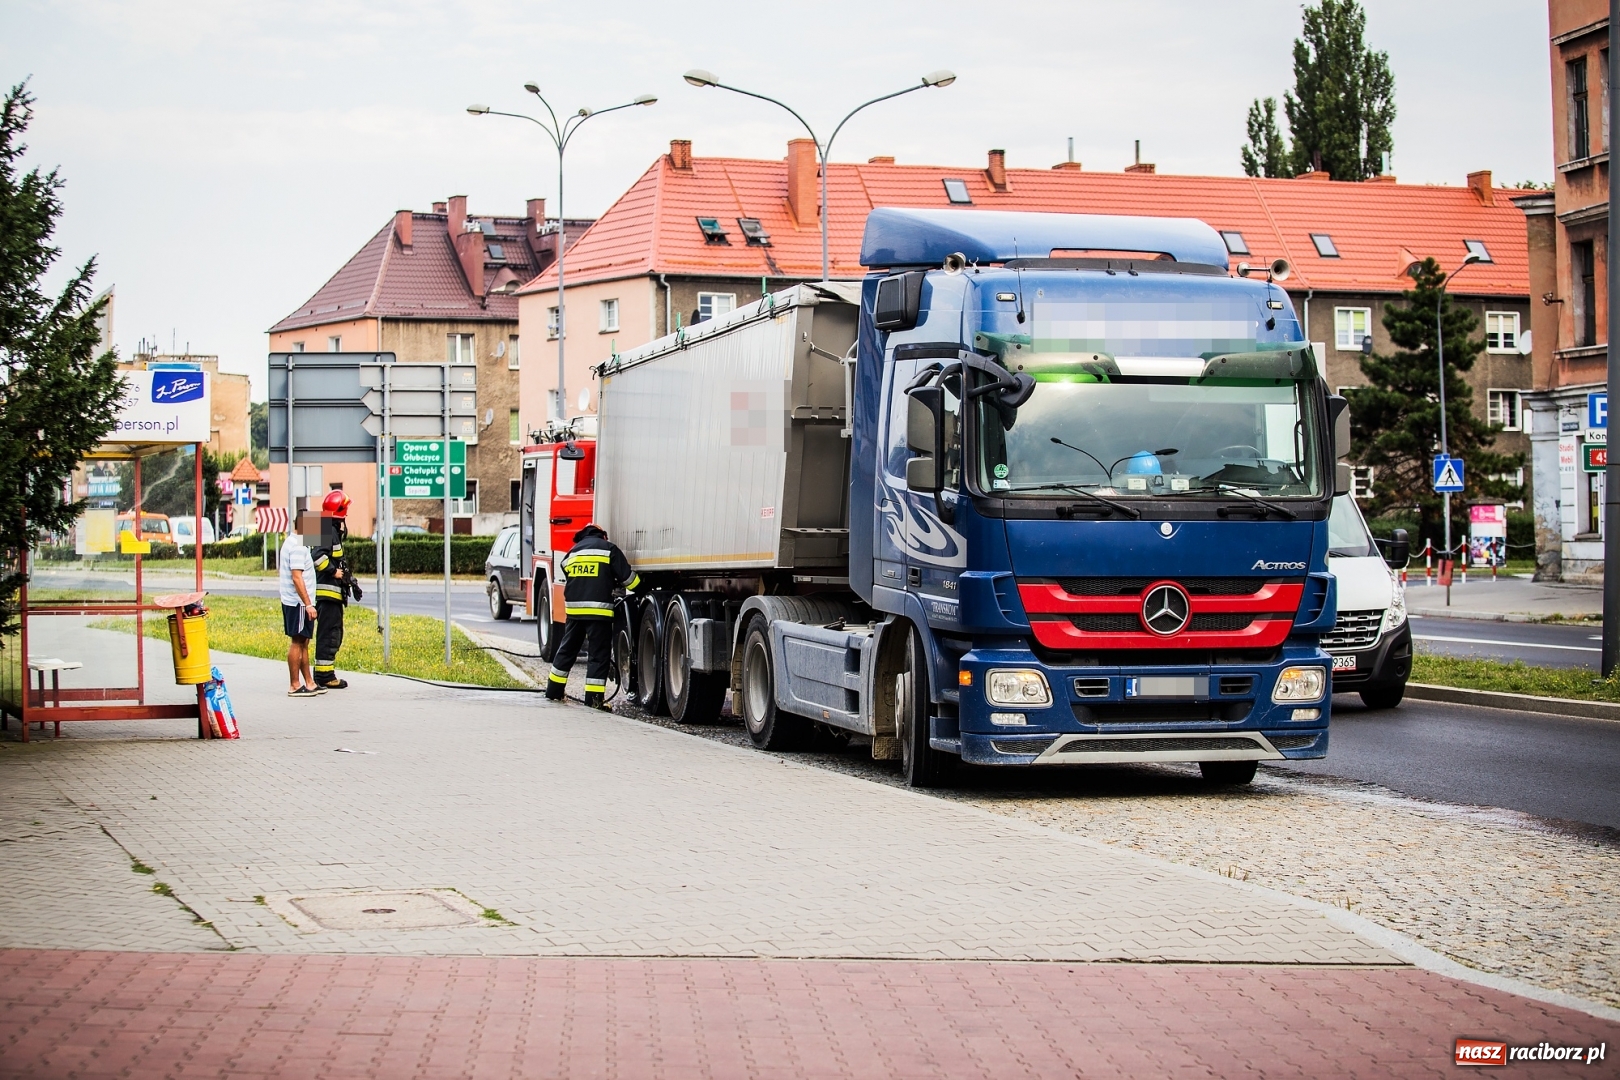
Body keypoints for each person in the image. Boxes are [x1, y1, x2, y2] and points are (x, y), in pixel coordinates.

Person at [546, 524, 638, 709]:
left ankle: (553, 692)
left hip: (575, 612)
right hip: (599, 613)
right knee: (597, 656)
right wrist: (641, 587)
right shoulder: (608, 548)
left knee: (566, 651)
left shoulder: (573, 552)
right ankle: (593, 701)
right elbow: (629, 580)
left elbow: (565, 568)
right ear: (602, 535)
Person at [311, 490, 360, 689]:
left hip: (327, 594)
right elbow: (316, 557)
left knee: (331, 634)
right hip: (328, 594)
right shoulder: (324, 528)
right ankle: (324, 676)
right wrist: (334, 572)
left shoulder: (321, 525)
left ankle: (323, 674)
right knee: (330, 635)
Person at [278, 525, 322, 697]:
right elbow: (297, 577)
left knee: (303, 642)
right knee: (297, 641)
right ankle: (294, 685)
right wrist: (308, 604)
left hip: (296, 602)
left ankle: (309, 682)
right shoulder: (297, 547)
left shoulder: (293, 542)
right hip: (299, 604)